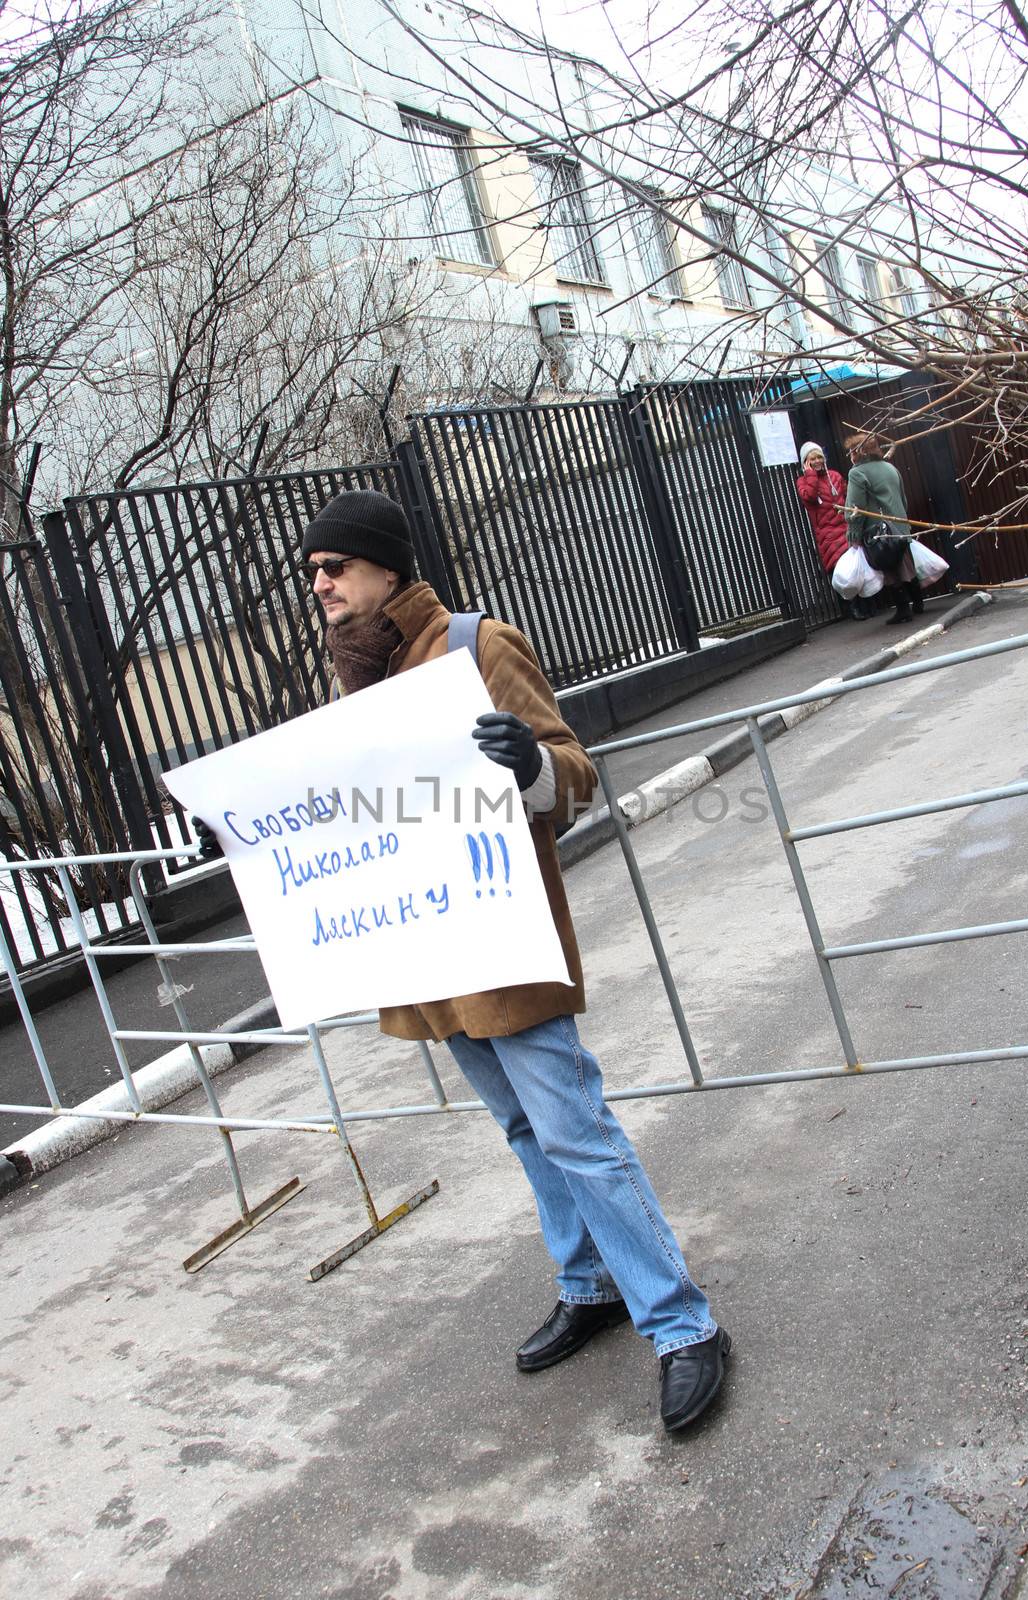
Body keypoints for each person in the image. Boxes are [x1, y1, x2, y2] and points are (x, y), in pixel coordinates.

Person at [197, 489, 730, 1434]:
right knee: (527, 1134)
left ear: (387, 570)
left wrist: (525, 761)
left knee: (576, 1133)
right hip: (427, 957)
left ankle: (682, 1325)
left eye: (335, 567)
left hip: (500, 945)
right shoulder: (357, 677)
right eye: (312, 571)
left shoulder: (475, 646)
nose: (317, 584)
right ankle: (590, 1284)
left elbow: (573, 772)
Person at [843, 431, 924, 625]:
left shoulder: (857, 473)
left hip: (880, 532)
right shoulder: (889, 467)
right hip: (900, 526)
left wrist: (853, 533)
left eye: (851, 452)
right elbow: (903, 498)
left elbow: (855, 508)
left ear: (858, 452)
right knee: (905, 563)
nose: (850, 456)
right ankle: (919, 602)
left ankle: (903, 609)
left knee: (889, 569)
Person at [794, 441, 870, 618]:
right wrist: (810, 474)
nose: (818, 461)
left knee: (856, 566)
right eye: (813, 458)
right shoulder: (803, 482)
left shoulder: (834, 476)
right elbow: (810, 498)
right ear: (806, 461)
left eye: (820, 456)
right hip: (827, 533)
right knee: (842, 570)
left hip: (845, 526)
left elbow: (848, 495)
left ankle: (867, 604)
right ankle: (853, 608)